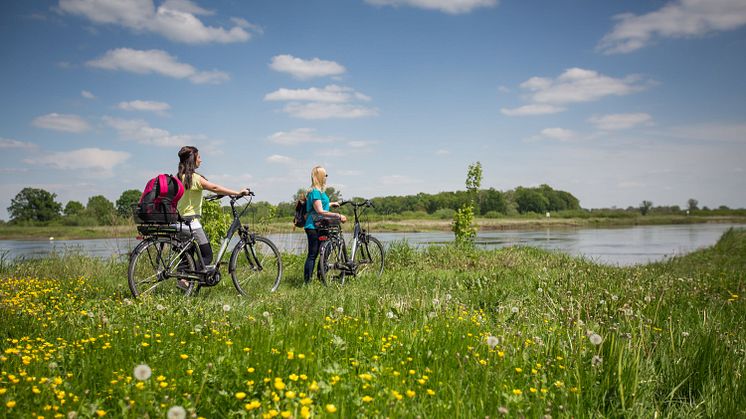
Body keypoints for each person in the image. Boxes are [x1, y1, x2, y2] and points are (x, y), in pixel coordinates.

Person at [176, 146, 249, 268]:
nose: (201, 160)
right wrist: (237, 193)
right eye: (199, 157)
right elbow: (214, 188)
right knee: (207, 256)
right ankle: (188, 275)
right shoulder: (195, 178)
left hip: (179, 222)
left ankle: (183, 279)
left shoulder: (179, 177)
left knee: (187, 256)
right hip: (191, 223)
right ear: (192, 159)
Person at [304, 166, 347, 283]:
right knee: (313, 254)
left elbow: (321, 205)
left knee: (325, 250)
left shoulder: (319, 192)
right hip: (313, 226)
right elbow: (320, 211)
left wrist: (332, 203)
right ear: (320, 177)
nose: (327, 177)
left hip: (322, 225)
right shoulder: (315, 192)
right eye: (325, 175)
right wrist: (338, 216)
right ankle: (307, 282)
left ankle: (320, 275)